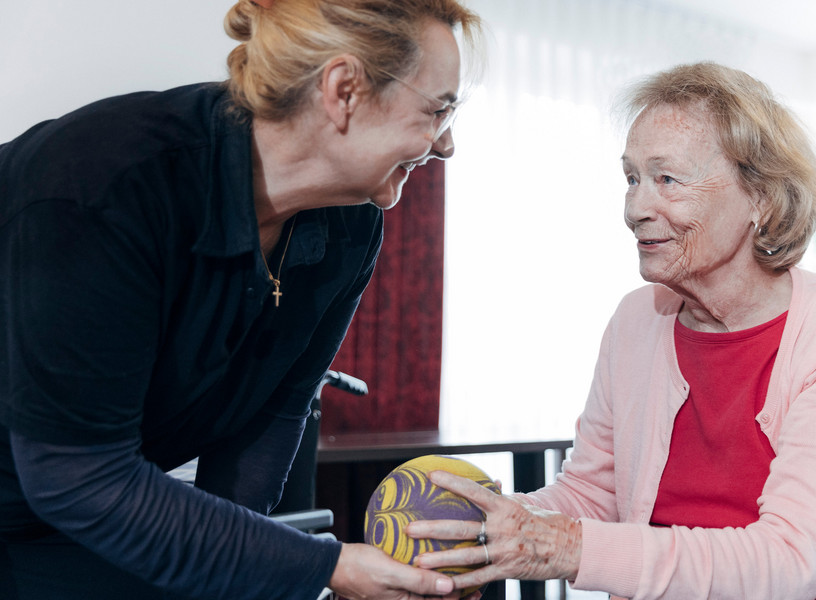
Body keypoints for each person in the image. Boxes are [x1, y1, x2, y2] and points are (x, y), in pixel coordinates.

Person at [0, 0, 482, 598]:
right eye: (437, 111)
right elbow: (77, 476)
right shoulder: (105, 187)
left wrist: (244, 577)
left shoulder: (349, 228)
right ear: (344, 90)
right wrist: (323, 567)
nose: (447, 144)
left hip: (75, 506)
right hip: (60, 486)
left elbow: (272, 415)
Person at [407, 61, 816, 599]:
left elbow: (790, 562)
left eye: (667, 179)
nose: (635, 208)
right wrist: (491, 523)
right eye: (632, 178)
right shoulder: (635, 320)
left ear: (761, 197)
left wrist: (559, 545)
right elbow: (593, 491)